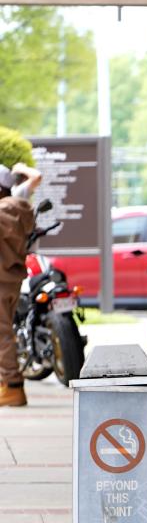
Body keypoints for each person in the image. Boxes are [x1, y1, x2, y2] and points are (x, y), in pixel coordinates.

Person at [0, 162, 42, 408]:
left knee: (2, 334)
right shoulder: (19, 209)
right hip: (11, 279)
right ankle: (8, 383)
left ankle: (13, 386)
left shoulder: (3, 213)